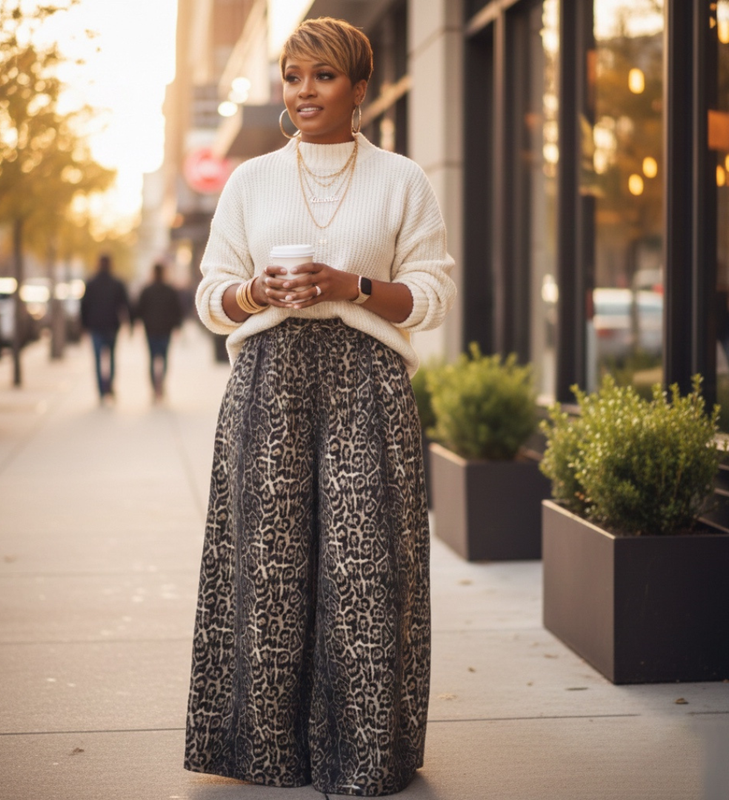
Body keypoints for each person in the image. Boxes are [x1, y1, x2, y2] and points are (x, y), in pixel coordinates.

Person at [184, 17, 456, 797]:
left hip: (368, 382)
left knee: (367, 572)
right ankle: (267, 751)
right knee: (267, 571)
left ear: (359, 88)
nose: (305, 91)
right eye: (294, 75)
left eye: (324, 76)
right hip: (270, 379)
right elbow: (210, 295)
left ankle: (369, 755)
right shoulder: (250, 181)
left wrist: (353, 287)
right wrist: (254, 292)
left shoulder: (402, 179)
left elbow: (433, 294)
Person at [80, 254, 131, 402]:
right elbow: (125, 304)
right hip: (112, 327)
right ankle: (109, 386)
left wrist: (84, 326)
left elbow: (84, 306)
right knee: (112, 358)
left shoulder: (91, 282)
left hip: (96, 327)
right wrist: (129, 324)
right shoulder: (117, 283)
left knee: (97, 360)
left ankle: (101, 391)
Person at [135, 262, 183, 400]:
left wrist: (137, 324)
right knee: (164, 358)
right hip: (165, 330)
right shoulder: (170, 290)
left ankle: (154, 389)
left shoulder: (146, 290)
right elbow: (177, 310)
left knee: (151, 359)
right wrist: (177, 326)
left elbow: (139, 310)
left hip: (150, 330)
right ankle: (161, 385)